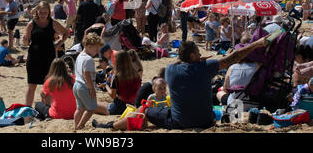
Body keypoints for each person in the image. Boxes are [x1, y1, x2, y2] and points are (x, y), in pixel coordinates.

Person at [93, 37, 268, 130]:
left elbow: (179, 64)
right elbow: (232, 58)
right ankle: (111, 125)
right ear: (192, 56)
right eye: (198, 53)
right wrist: (257, 44)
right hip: (206, 122)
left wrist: (195, 61)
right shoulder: (206, 67)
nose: (200, 55)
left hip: (179, 122)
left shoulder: (170, 69)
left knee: (144, 109)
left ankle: (111, 126)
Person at [22, 1, 68, 107]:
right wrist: (24, 41)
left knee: (48, 86)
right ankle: (27, 110)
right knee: (31, 86)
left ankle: (47, 109)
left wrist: (58, 44)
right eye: (41, 12)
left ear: (49, 12)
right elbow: (26, 42)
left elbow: (65, 33)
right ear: (37, 12)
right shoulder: (31, 24)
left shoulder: (53, 23)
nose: (43, 15)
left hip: (49, 58)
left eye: (45, 12)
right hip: (34, 57)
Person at [73, 33, 104, 130]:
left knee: (80, 108)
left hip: (76, 85)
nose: (97, 52)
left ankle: (75, 126)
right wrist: (92, 89)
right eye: (96, 50)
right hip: (84, 86)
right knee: (91, 109)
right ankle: (80, 125)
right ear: (89, 46)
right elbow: (87, 75)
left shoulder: (79, 56)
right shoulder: (89, 59)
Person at [104, 50, 142, 115]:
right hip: (132, 106)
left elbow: (113, 95)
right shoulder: (136, 74)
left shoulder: (116, 76)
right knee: (104, 104)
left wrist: (106, 86)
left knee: (94, 106)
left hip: (119, 106)